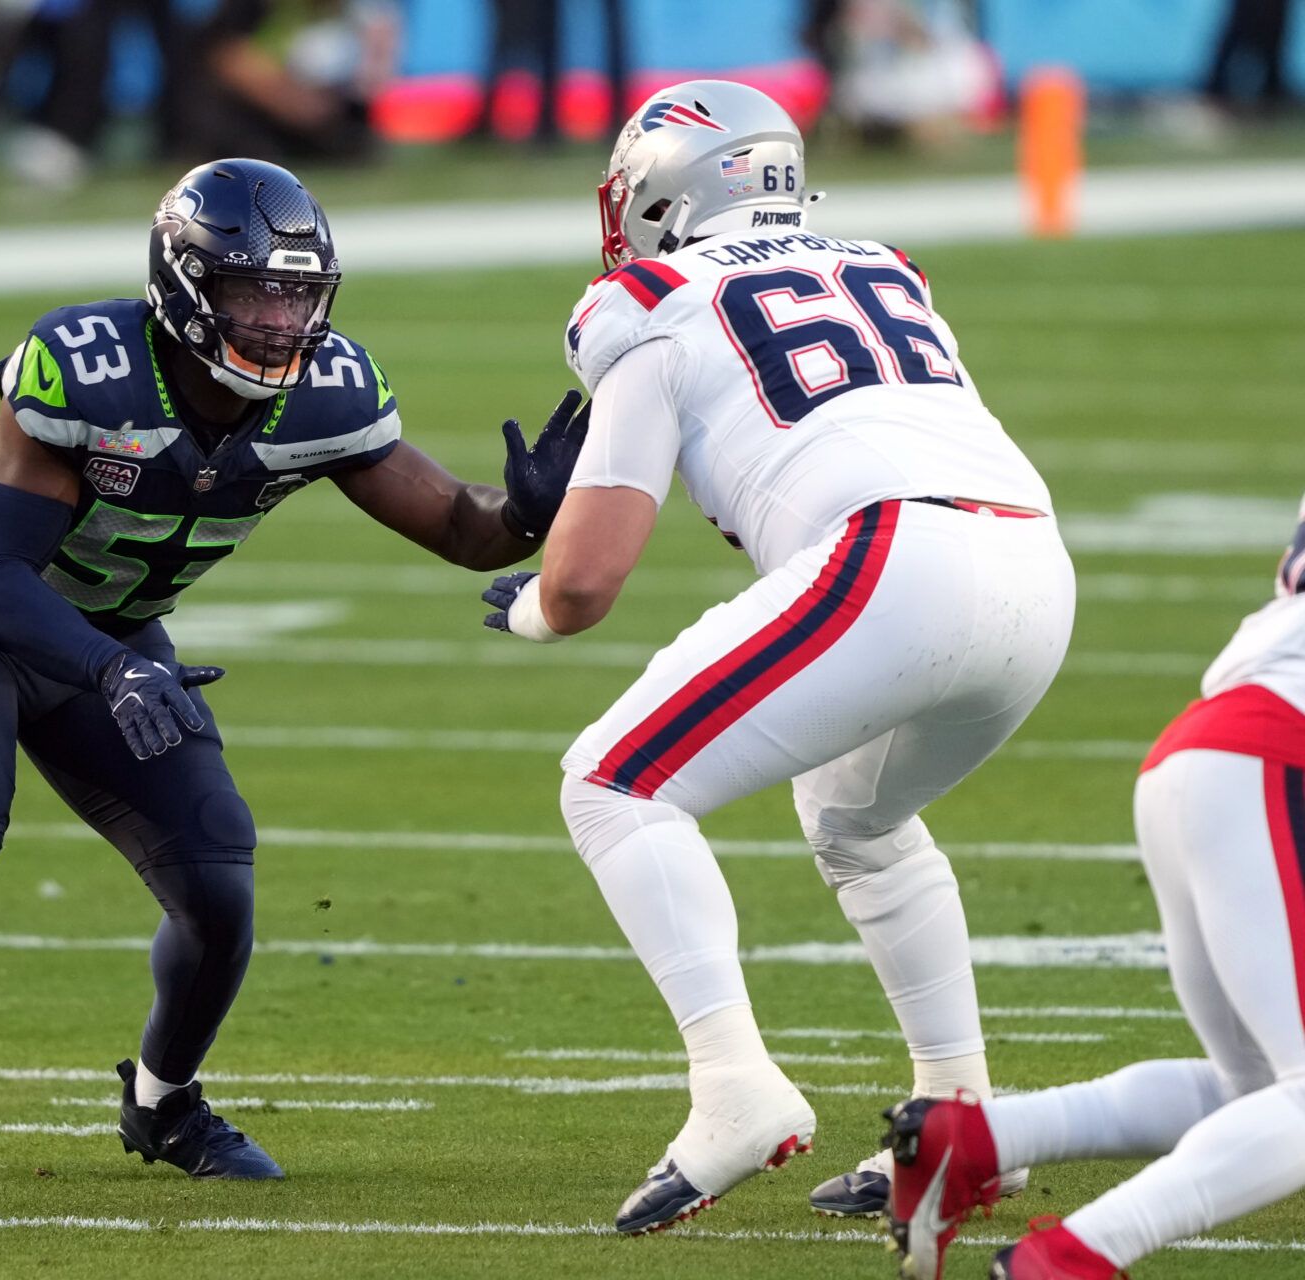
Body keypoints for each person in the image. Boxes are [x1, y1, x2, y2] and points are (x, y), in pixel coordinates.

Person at [0, 157, 588, 1179]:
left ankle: (164, 1105)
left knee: (216, 873)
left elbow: (462, 529)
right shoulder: (88, 364)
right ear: (187, 286)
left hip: (113, 633)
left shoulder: (323, 397)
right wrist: (114, 670)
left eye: (299, 294)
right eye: (253, 291)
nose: (281, 321)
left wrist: (531, 514)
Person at [478, 80, 1074, 1233]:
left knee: (613, 781)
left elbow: (587, 581)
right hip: (1036, 565)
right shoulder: (886, 269)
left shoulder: (645, 298)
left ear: (661, 192)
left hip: (897, 552)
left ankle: (733, 1084)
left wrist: (531, 609)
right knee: (858, 818)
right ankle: (961, 1115)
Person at [886, 493, 1305, 1280]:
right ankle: (1076, 1257)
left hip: (1212, 749)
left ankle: (973, 1140)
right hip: (1274, 756)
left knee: (1253, 1090)